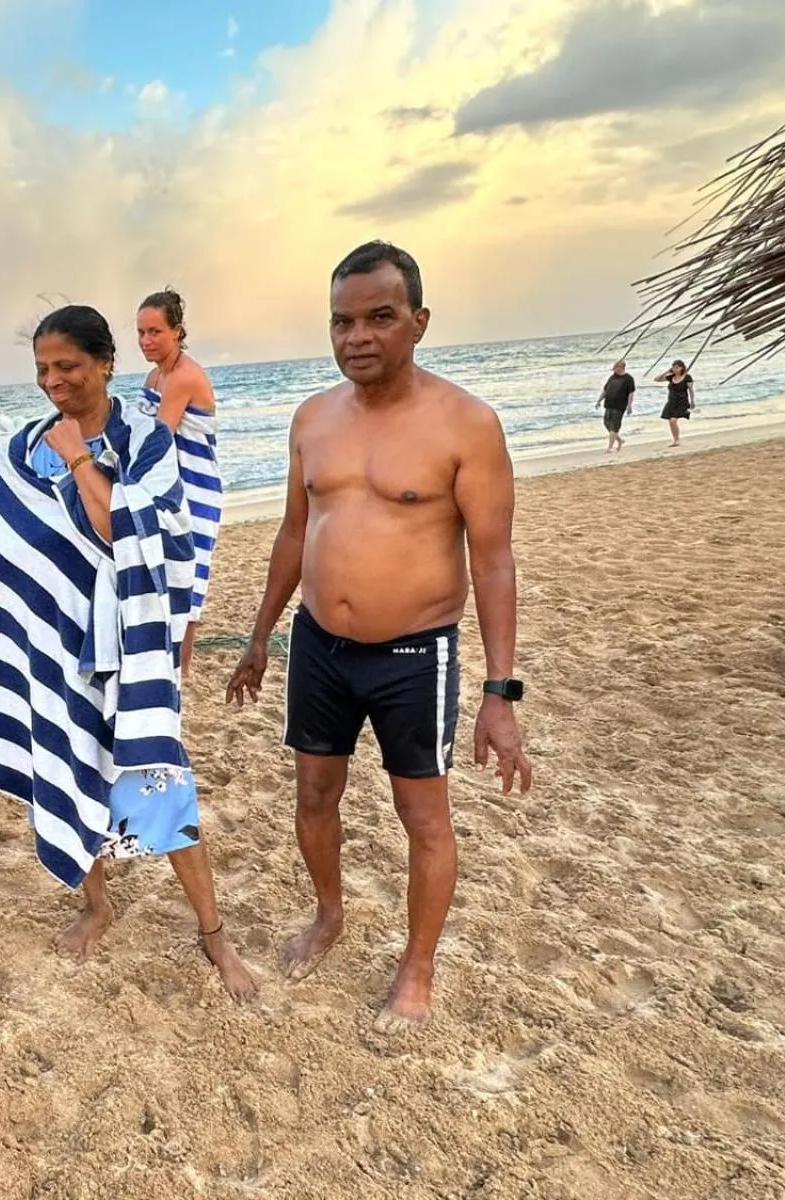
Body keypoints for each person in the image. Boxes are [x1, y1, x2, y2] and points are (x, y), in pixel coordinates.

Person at [225, 241, 532, 1031]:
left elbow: (493, 563)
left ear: (418, 322)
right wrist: (260, 635)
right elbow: (294, 533)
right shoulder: (312, 418)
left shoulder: (466, 425)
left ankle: (417, 967)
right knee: (313, 796)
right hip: (318, 645)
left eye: (379, 317)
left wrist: (500, 693)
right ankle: (329, 913)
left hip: (414, 655)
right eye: (342, 321)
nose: (357, 336)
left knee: (422, 817)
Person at [0, 304, 256, 1002]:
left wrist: (78, 457)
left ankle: (213, 932)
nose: (53, 381)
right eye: (42, 369)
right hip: (58, 647)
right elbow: (9, 554)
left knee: (162, 779)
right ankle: (98, 905)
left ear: (105, 363)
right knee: (64, 765)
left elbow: (131, 534)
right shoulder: (24, 447)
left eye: (67, 366)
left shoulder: (146, 438)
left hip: (132, 646)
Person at [138, 289, 221, 683]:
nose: (146, 340)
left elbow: (158, 438)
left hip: (196, 486)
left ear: (178, 331)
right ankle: (166, 660)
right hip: (166, 486)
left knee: (190, 574)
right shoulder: (154, 376)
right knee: (164, 569)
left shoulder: (184, 376)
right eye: (141, 332)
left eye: (155, 331)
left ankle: (182, 668)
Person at [597, 359, 635, 452]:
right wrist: (599, 400)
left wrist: (629, 405)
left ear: (621, 367)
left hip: (619, 406)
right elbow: (605, 390)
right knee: (607, 423)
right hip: (609, 404)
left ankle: (610, 447)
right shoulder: (612, 377)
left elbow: (631, 393)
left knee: (614, 426)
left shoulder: (628, 378)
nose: (614, 370)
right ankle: (619, 440)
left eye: (615, 368)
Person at [655, 359, 695, 446]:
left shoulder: (687, 377)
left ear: (681, 368)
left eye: (677, 367)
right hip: (671, 402)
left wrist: (692, 401)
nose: (675, 369)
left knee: (673, 420)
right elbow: (657, 379)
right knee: (670, 421)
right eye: (673, 368)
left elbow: (691, 390)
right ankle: (676, 439)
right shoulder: (671, 377)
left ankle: (677, 440)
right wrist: (667, 371)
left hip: (682, 402)